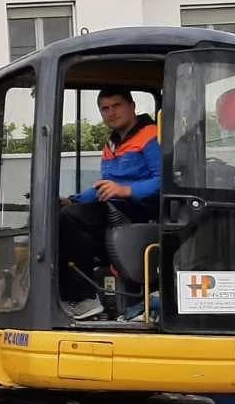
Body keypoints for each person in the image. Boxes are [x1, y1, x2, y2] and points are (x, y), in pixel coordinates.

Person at [58, 87, 162, 319]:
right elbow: (104, 187)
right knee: (59, 216)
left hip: (143, 208)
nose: (111, 112)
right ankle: (66, 293)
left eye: (116, 106)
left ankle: (84, 298)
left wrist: (126, 190)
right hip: (116, 207)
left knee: (72, 219)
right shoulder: (112, 144)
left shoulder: (151, 135)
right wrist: (71, 200)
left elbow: (164, 180)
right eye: (105, 108)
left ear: (132, 106)